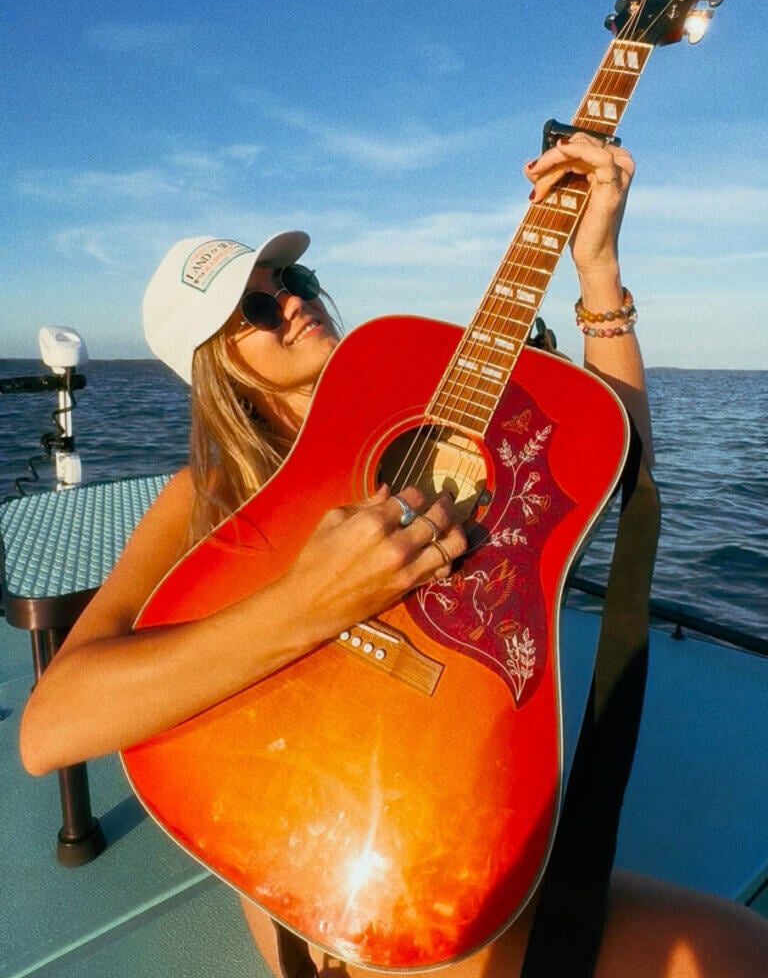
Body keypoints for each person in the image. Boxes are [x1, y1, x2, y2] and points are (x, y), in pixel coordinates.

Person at [19, 135, 768, 978]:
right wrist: (315, 598)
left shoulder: (435, 397)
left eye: (291, 284)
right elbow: (48, 731)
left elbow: (611, 456)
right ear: (215, 368)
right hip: (325, 821)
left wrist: (597, 269)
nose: (294, 305)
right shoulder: (210, 492)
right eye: (256, 312)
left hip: (458, 782)